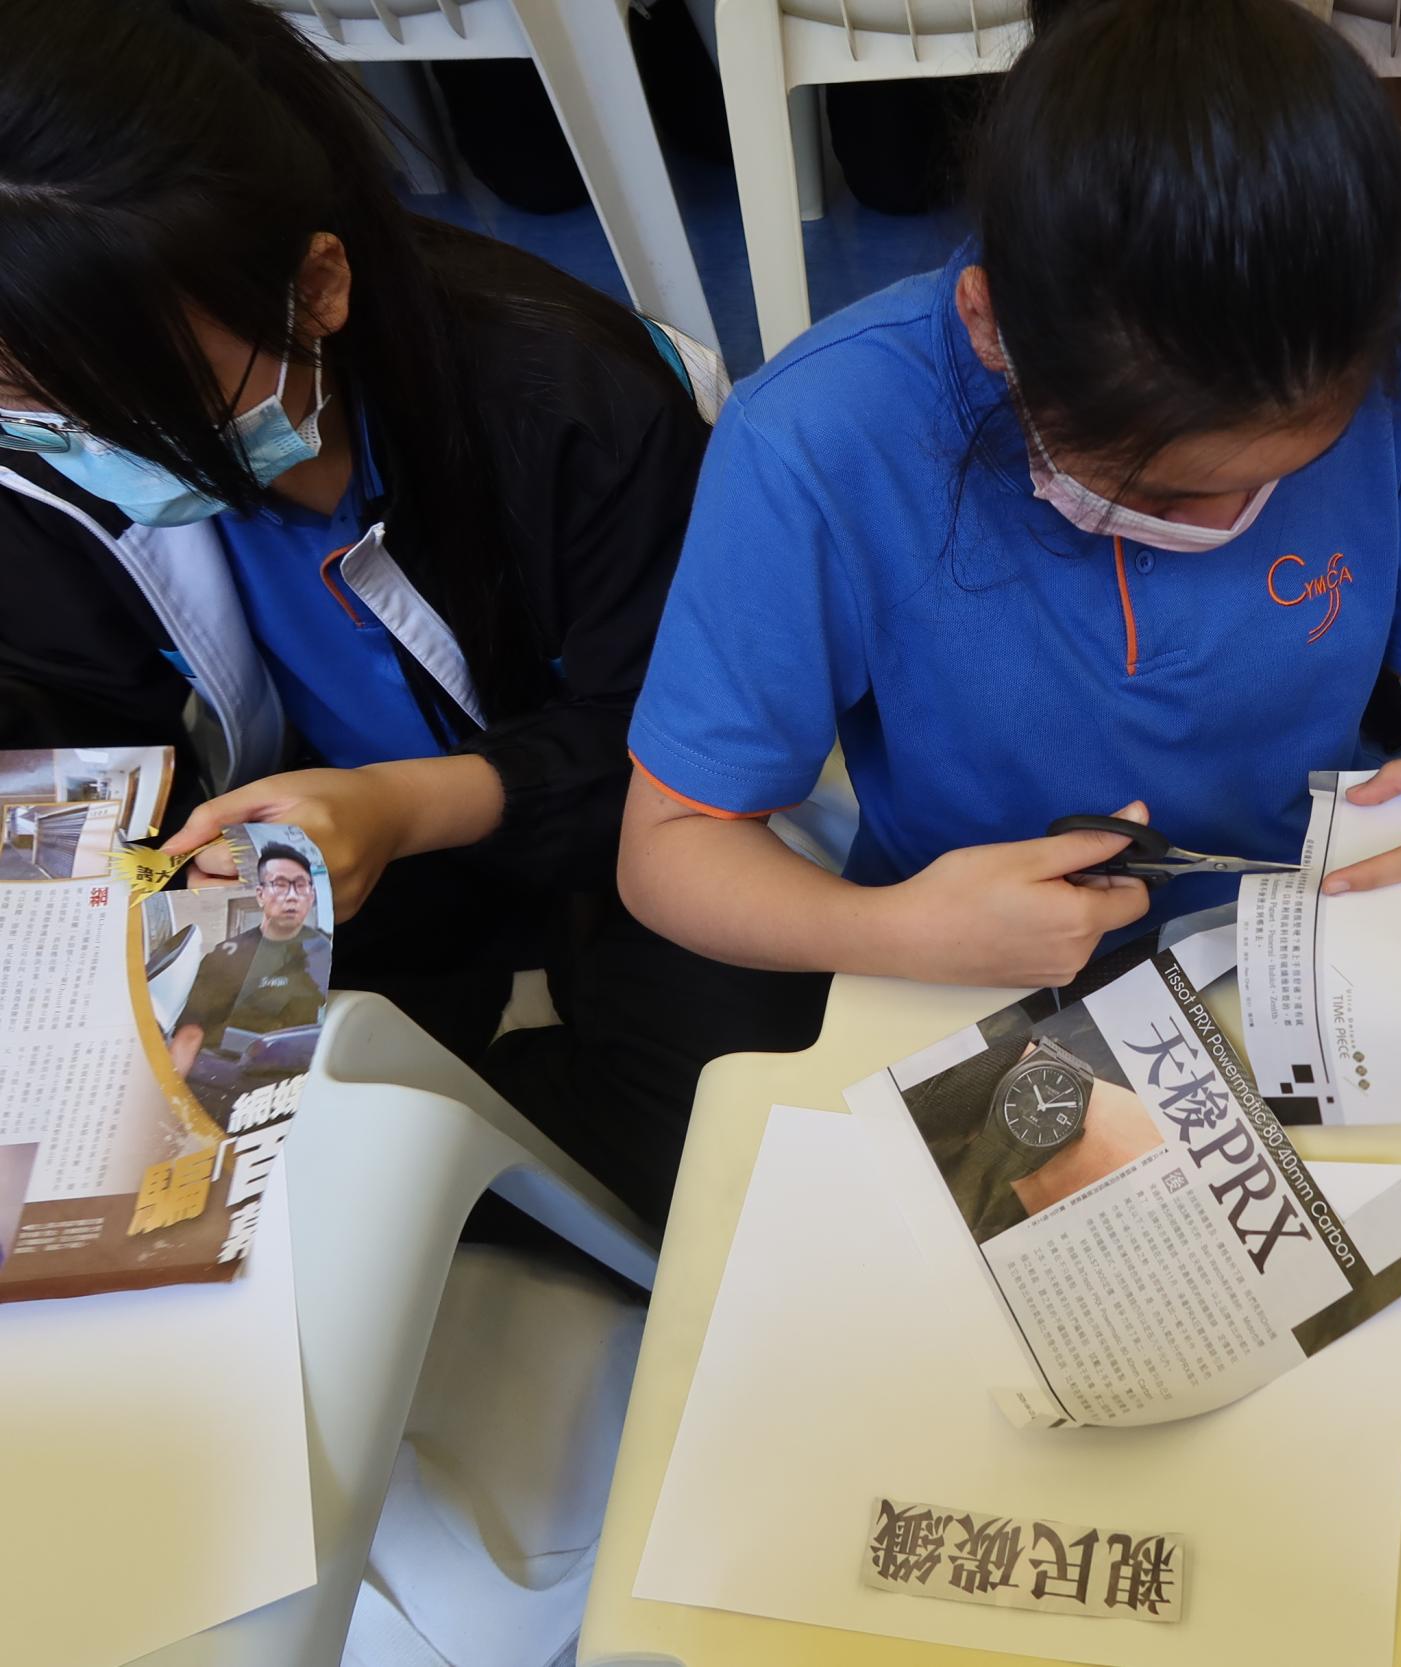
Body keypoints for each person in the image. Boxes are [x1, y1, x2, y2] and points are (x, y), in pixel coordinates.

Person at [0, 0, 826, 1220]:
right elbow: (67, 726)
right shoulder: (40, 477)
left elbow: (677, 738)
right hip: (297, 856)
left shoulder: (566, 401)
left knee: (720, 1144)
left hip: (588, 810)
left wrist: (404, 806)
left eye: (140, 396)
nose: (89, 445)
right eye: (26, 403)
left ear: (316, 287)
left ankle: (454, 1122)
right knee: (149, 1153)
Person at [620, 0, 1401, 989]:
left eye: (1289, 472)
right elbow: (670, 846)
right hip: (957, 953)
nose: (1232, 524)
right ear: (991, 327)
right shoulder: (817, 440)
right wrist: (894, 930)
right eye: (1168, 493)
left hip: (1281, 925)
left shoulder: (1400, 355)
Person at [169, 843, 331, 1119]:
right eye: (280, 885)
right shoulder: (228, 955)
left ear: (312, 895)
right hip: (229, 1084)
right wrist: (170, 1103)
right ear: (260, 895)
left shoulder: (323, 948)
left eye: (301, 885)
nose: (292, 896)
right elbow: (190, 1033)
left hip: (307, 1084)